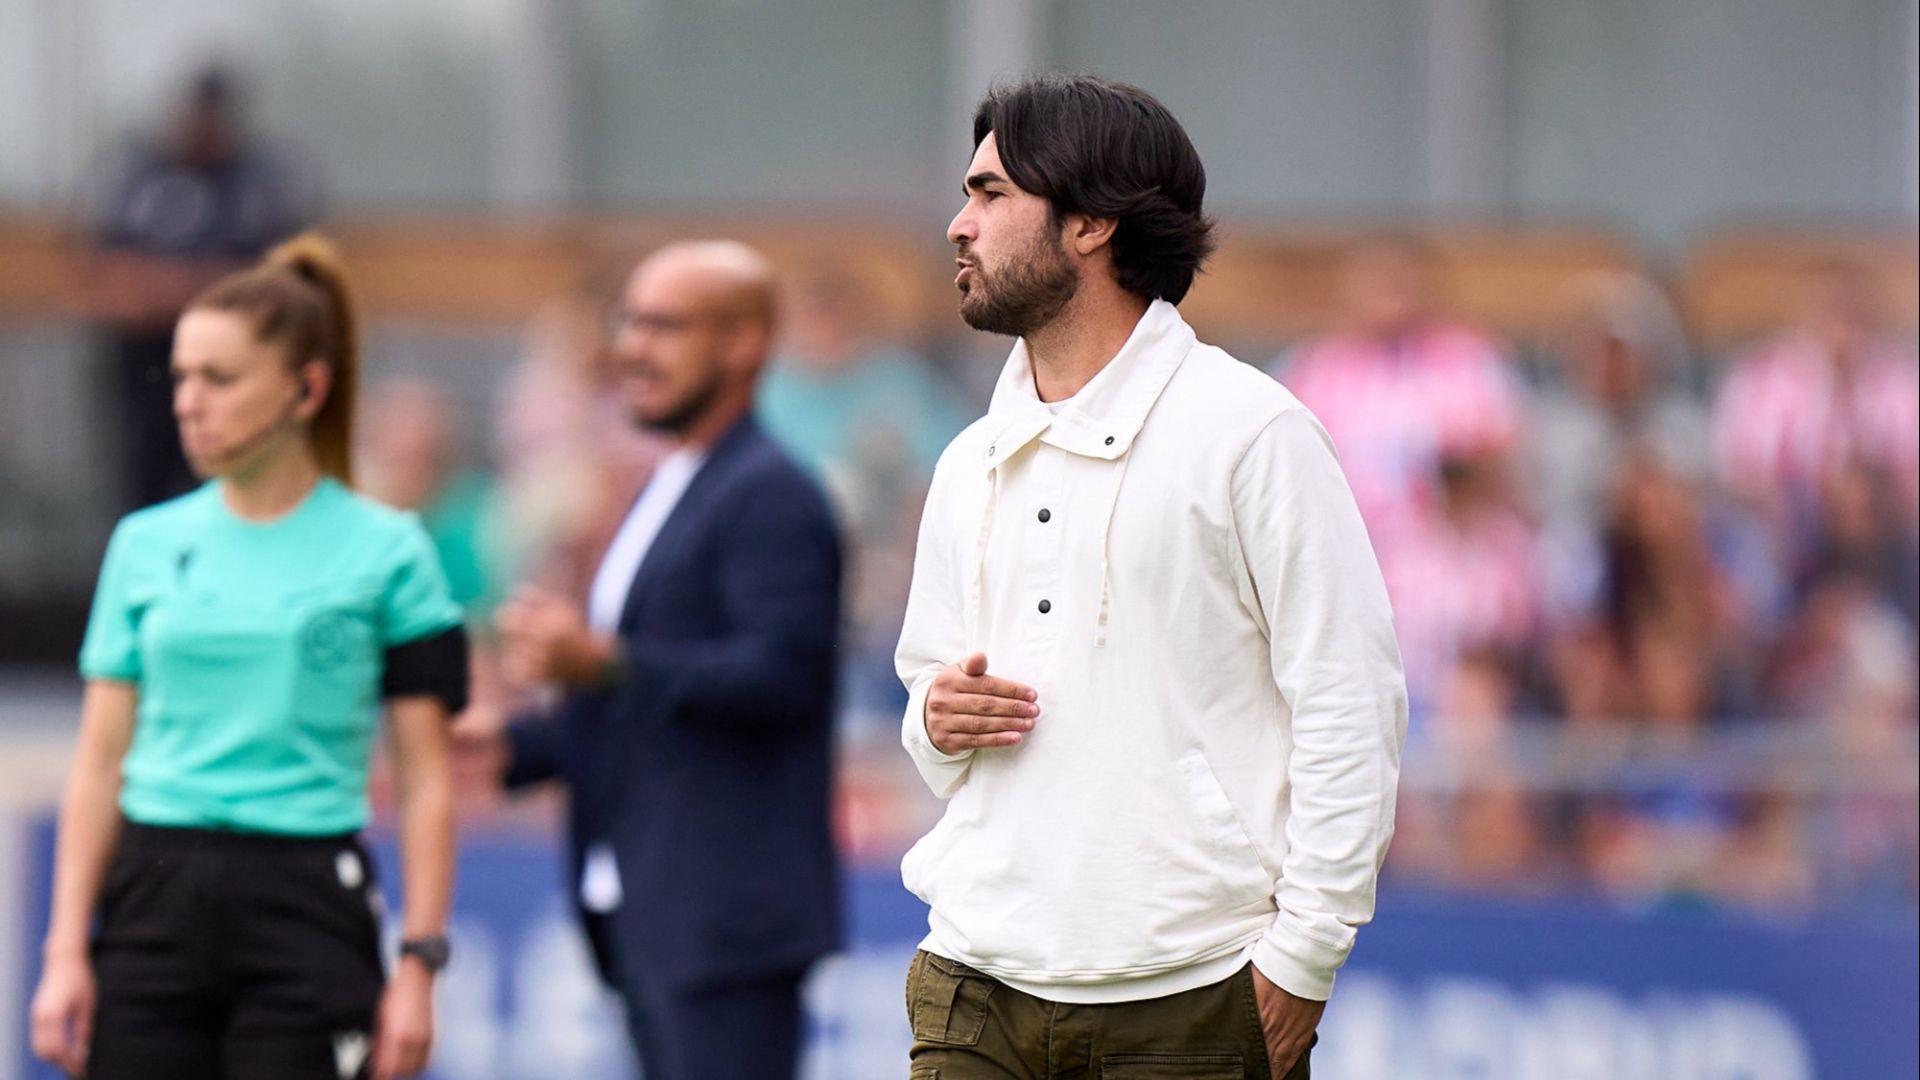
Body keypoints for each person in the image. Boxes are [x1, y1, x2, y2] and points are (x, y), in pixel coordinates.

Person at [896, 74, 1407, 1078]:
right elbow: (928, 717)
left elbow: (1351, 704)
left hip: (1191, 997)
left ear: (1089, 223)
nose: (960, 225)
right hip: (974, 981)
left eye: (993, 195)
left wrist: (1303, 959)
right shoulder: (969, 462)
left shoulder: (1254, 433)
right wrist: (936, 717)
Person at [28, 234, 465, 1080]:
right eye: (183, 376)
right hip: (152, 894)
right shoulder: (143, 545)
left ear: (307, 389)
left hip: (307, 903)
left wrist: (419, 963)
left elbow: (426, 779)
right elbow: (100, 760)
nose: (188, 401)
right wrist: (63, 951)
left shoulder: (392, 553)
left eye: (219, 379)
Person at [467, 241, 842, 1080]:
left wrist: (602, 661)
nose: (632, 346)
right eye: (628, 322)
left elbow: (780, 674)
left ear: (746, 343)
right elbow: (645, 698)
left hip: (725, 921)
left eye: (664, 326)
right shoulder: (674, 481)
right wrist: (514, 746)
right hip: (656, 907)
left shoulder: (768, 493)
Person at [80, 65, 315, 509]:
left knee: (224, 490)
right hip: (145, 370)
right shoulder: (137, 176)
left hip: (235, 372)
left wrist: (173, 288)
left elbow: (284, 279)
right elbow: (99, 278)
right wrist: (199, 287)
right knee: (140, 489)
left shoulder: (258, 182)